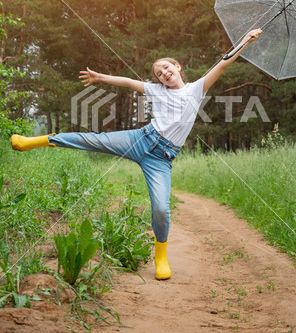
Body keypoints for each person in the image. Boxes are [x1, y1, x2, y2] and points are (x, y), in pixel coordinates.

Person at [11, 28, 262, 280]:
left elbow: (224, 63)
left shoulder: (196, 90)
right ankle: (31, 141)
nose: (164, 73)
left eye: (166, 68)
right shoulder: (157, 90)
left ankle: (161, 256)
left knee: (161, 209)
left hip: (161, 159)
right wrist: (100, 77)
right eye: (159, 73)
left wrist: (245, 41)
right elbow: (128, 82)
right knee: (91, 140)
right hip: (140, 139)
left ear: (177, 66)